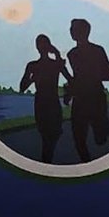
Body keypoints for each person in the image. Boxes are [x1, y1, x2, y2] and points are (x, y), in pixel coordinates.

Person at [65, 16, 109, 158]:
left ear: (84, 31)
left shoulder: (98, 50)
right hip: (80, 100)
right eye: (71, 29)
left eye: (74, 29)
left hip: (96, 97)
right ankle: (87, 164)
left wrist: (90, 77)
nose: (71, 31)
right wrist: (70, 92)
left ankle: (103, 130)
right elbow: (76, 78)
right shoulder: (72, 54)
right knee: (79, 139)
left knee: (100, 138)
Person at [22, 32, 68, 160]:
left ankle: (46, 160)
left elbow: (69, 78)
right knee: (47, 136)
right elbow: (22, 87)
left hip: (51, 102)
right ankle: (46, 160)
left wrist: (58, 55)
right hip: (43, 103)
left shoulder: (53, 64)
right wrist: (33, 79)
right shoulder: (33, 66)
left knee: (51, 136)